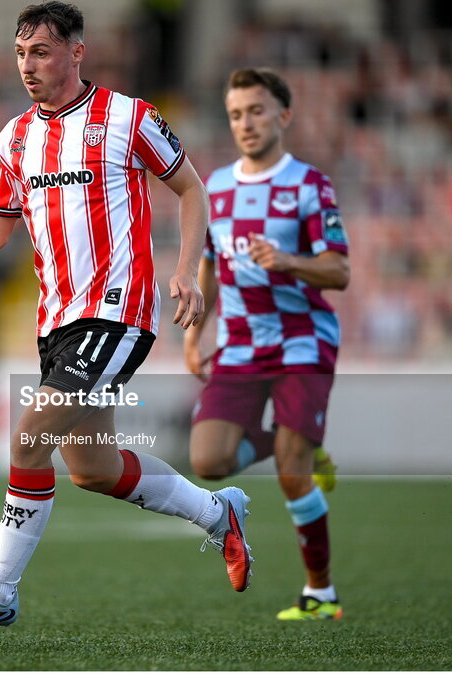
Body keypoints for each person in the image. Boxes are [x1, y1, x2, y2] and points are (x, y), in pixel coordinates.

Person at [0, 0, 252, 634]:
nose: (28, 64)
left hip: (118, 310)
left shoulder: (128, 117)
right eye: (21, 52)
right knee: (94, 470)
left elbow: (193, 189)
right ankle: (220, 514)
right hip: (58, 322)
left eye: (42, 51)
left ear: (78, 52)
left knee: (29, 435)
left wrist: (186, 269)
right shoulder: (14, 137)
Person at [184, 68, 350, 621]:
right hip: (239, 345)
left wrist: (290, 261)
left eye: (256, 111)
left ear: (283, 115)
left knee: (290, 468)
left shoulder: (309, 185)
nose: (246, 123)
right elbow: (209, 262)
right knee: (208, 461)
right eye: (236, 114)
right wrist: (194, 330)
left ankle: (320, 593)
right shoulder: (218, 188)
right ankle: (299, 439)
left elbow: (340, 271)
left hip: (303, 340)